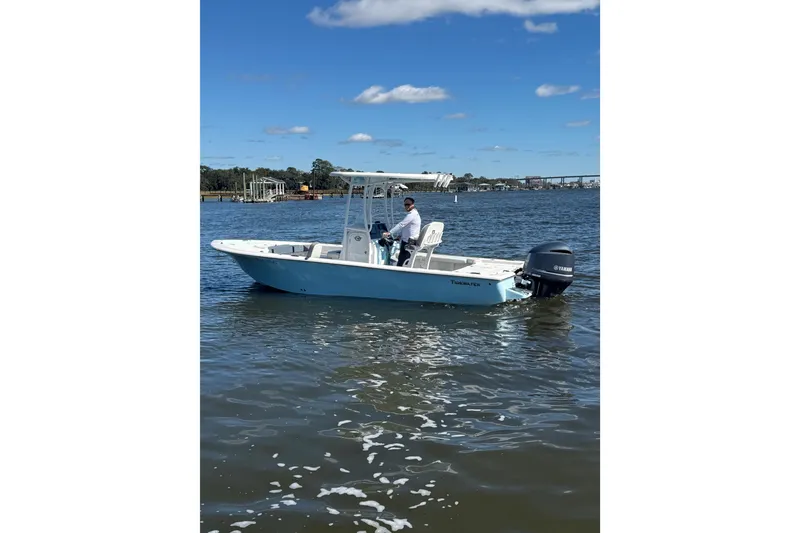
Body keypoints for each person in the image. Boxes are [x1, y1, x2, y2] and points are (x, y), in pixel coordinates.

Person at [383, 197, 421, 267]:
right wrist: (400, 235)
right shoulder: (414, 214)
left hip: (409, 242)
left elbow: (401, 224)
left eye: (408, 204)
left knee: (402, 262)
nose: (406, 206)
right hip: (408, 240)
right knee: (402, 260)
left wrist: (389, 233)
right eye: (405, 205)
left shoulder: (412, 214)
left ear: (413, 204)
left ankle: (399, 275)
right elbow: (406, 227)